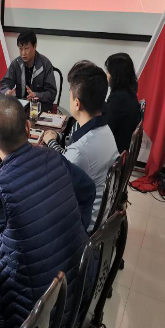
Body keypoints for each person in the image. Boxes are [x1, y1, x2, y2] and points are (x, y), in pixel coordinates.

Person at [0, 96, 96, 328]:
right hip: (78, 290)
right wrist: (75, 230)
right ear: (27, 127)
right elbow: (88, 188)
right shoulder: (53, 157)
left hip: (33, 323)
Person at [43, 64, 118, 231]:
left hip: (82, 226)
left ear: (77, 103)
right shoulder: (105, 130)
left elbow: (53, 183)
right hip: (100, 214)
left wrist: (49, 144)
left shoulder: (80, 151)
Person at [0, 29, 57, 107]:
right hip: (20, 107)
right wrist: (7, 92)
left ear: (35, 46)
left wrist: (36, 95)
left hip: (39, 107)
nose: (23, 53)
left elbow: (51, 94)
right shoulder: (16, 64)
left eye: (26, 48)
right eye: (20, 49)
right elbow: (4, 84)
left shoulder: (45, 64)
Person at [105, 53, 141, 153]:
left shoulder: (118, 99)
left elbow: (106, 130)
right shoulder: (128, 93)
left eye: (108, 71)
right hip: (124, 147)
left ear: (116, 74)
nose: (106, 74)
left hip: (115, 151)